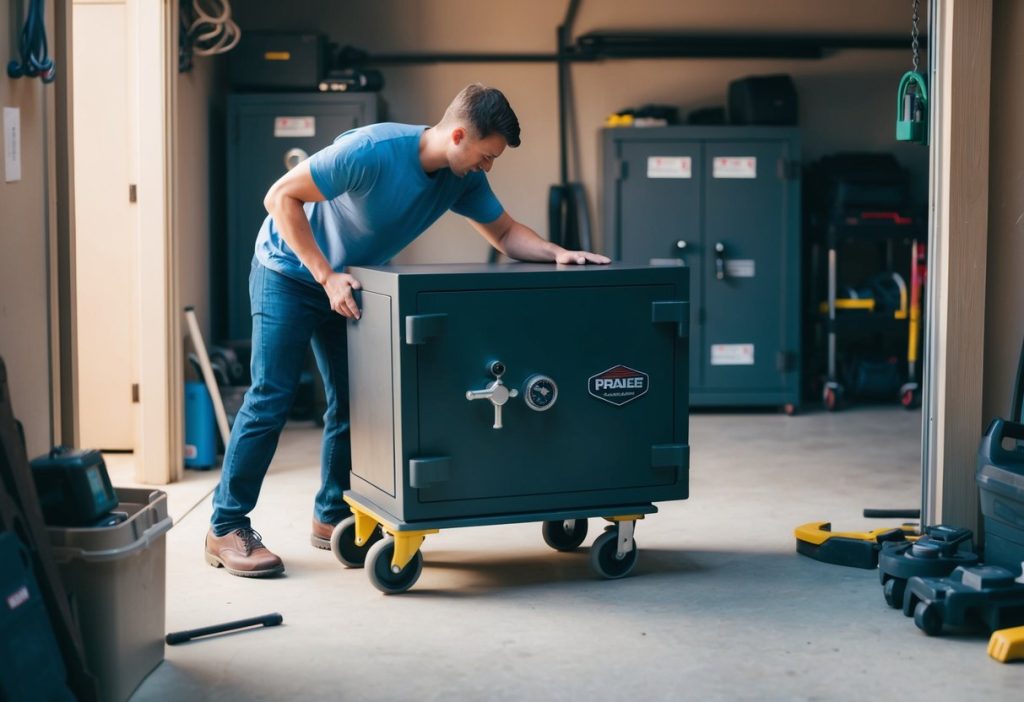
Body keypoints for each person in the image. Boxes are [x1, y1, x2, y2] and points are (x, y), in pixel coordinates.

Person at [204, 83, 610, 577]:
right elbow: (280, 196)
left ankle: (332, 516)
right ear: (459, 135)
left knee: (358, 401)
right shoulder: (371, 151)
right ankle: (226, 526)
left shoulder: (460, 180)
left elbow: (504, 233)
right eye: (486, 155)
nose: (488, 167)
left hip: (348, 283)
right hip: (288, 272)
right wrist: (325, 275)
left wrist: (556, 252)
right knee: (271, 397)